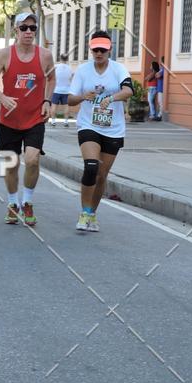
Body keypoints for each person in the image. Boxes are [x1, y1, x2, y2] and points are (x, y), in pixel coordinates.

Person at [0, 12, 55, 226]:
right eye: (24, 28)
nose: (28, 32)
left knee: (32, 159)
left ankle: (27, 201)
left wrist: (47, 101)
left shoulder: (44, 56)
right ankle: (13, 203)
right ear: (16, 29)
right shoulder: (5, 54)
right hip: (9, 119)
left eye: (32, 28)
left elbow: (51, 78)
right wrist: (2, 97)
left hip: (35, 117)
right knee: (11, 164)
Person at [67, 30, 133, 232]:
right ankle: (84, 212)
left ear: (109, 49)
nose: (99, 53)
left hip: (113, 129)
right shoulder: (83, 71)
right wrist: (83, 96)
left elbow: (129, 91)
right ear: (90, 49)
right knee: (92, 166)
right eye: (95, 49)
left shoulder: (118, 69)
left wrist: (110, 98)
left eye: (103, 49)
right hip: (89, 125)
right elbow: (70, 99)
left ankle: (92, 214)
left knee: (102, 175)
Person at [49, 52, 73, 127]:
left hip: (56, 90)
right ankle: (66, 121)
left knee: (54, 106)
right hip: (66, 90)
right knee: (66, 106)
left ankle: (53, 121)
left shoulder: (55, 67)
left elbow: (51, 76)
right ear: (67, 59)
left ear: (60, 58)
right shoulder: (70, 68)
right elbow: (71, 78)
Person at [155, 57, 165, 121]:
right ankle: (159, 114)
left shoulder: (164, 69)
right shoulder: (161, 69)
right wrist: (157, 74)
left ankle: (160, 115)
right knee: (159, 101)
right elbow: (156, 75)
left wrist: (158, 74)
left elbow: (157, 75)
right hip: (159, 87)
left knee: (161, 102)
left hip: (161, 88)